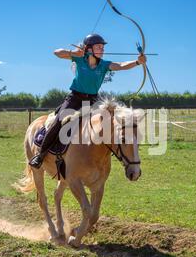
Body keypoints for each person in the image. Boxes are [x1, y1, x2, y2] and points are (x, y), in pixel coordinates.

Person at [29, 33, 147, 169]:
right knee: (58, 123)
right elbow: (57, 53)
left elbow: (120, 65)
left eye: (103, 47)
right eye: (99, 47)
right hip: (74, 99)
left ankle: (100, 161)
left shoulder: (103, 65)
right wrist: (73, 52)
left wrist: (137, 62)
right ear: (89, 48)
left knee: (107, 126)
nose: (102, 49)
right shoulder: (80, 59)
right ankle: (40, 155)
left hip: (92, 101)